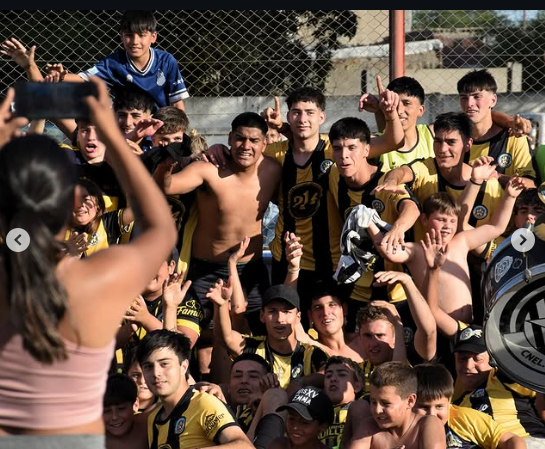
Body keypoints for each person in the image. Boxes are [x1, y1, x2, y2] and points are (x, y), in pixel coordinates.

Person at [0, 76, 177, 447]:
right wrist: (111, 133)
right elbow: (161, 227)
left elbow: (17, 238)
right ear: (70, 201)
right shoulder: (98, 278)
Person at [154, 111, 282, 376]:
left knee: (248, 342)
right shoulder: (208, 169)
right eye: (240, 139)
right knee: (194, 343)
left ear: (264, 143)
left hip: (250, 271)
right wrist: (167, 163)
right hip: (205, 272)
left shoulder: (273, 170)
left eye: (253, 140)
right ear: (229, 138)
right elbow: (167, 186)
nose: (245, 146)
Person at [43, 11, 189, 111]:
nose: (135, 41)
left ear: (153, 37)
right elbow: (84, 79)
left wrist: (181, 135)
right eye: (129, 35)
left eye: (142, 35)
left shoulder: (166, 61)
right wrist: (61, 76)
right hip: (126, 127)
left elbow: (177, 103)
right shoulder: (114, 63)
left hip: (159, 129)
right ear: (121, 36)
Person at [136, 329, 253, 449]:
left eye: (164, 364)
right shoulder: (153, 418)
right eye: (148, 366)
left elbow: (245, 446)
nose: (156, 373)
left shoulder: (203, 403)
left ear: (184, 366)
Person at [210, 282, 328, 393]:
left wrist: (300, 382)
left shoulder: (311, 353)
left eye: (286, 312)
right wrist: (221, 306)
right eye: (272, 312)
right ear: (262, 316)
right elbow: (225, 337)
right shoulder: (253, 346)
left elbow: (327, 373)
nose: (279, 319)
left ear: (298, 317)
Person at [450, 325, 545, 448]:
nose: (468, 365)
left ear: (492, 359)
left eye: (477, 359)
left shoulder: (501, 377)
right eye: (463, 359)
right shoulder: (456, 406)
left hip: (528, 441)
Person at [413, 362, 527, 449]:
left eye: (439, 406)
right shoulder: (403, 430)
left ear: (449, 401)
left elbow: (511, 439)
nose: (432, 415)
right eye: (424, 407)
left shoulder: (462, 418)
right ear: (409, 403)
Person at [457, 68, 535, 188]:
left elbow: (531, 185)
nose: (469, 103)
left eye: (477, 96)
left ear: (493, 100)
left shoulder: (514, 138)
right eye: (464, 98)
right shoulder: (454, 139)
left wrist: (497, 176)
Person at [348, 361, 446, 449]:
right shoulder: (369, 427)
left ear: (410, 401)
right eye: (373, 402)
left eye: (385, 403)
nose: (377, 410)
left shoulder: (428, 424)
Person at [269, 386, 335, 449]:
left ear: (323, 426)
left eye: (304, 422)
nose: (295, 427)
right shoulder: (278, 445)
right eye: (292, 419)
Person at [320, 356, 364, 449]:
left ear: (357, 386)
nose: (333, 379)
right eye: (328, 376)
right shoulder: (315, 412)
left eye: (342, 375)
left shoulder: (362, 408)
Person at [103, 373, 148, 449]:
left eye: (121, 409)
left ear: (135, 405)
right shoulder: (92, 440)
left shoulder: (147, 424)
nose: (114, 417)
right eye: (107, 411)